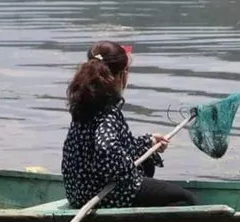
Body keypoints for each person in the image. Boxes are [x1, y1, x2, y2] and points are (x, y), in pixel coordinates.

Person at [61, 40, 199, 209]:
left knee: (146, 162)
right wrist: (128, 168)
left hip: (77, 193)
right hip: (101, 195)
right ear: (120, 75)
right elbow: (107, 152)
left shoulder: (85, 104)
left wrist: (147, 143)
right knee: (186, 200)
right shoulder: (107, 112)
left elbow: (106, 146)